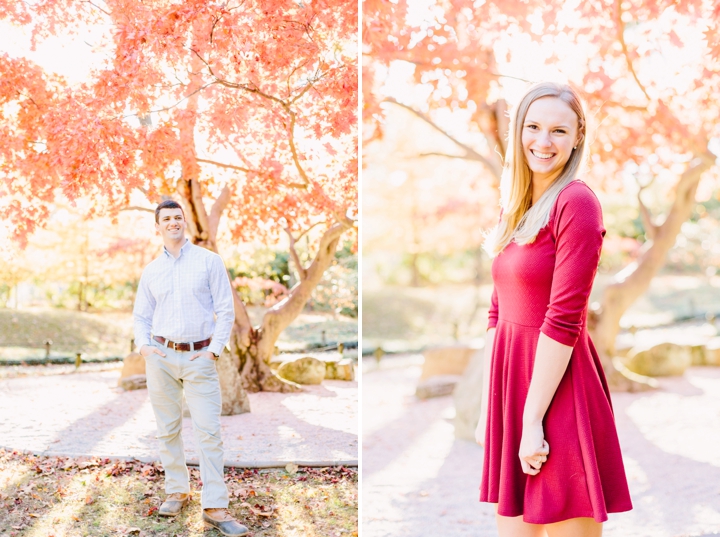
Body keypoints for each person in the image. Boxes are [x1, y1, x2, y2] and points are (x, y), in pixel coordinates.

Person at [475, 82, 633, 537]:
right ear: (517, 130)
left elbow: (564, 319)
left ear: (578, 136)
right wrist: (495, 408)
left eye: (559, 130)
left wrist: (531, 419)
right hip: (515, 390)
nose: (543, 142)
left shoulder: (577, 203)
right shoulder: (517, 208)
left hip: (558, 393)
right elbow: (497, 312)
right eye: (534, 127)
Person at [133, 200, 247, 537]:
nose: (173, 223)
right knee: (167, 430)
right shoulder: (151, 270)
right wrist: (145, 348)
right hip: (162, 358)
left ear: (185, 222)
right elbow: (141, 315)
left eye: (177, 217)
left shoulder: (209, 262)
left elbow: (226, 311)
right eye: (166, 219)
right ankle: (176, 491)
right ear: (158, 227)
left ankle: (215, 505)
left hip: (200, 359)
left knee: (209, 433)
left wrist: (213, 352)